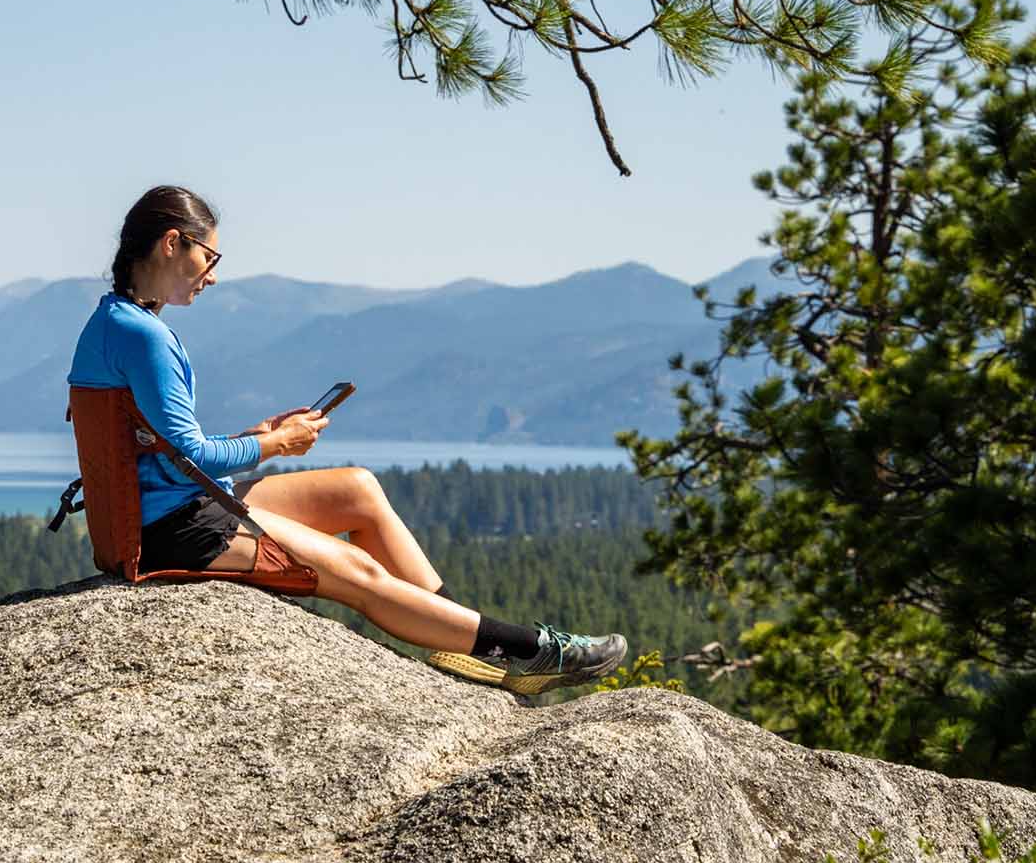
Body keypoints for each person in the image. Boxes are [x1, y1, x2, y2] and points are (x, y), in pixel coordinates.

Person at [67, 184, 630, 693]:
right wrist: (277, 444)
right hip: (176, 529)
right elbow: (188, 455)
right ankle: (527, 650)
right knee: (359, 574)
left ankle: (458, 635)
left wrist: (251, 437)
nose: (211, 274)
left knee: (356, 489)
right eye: (209, 257)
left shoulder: (114, 320)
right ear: (173, 243)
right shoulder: (145, 335)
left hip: (165, 508)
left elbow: (159, 446)